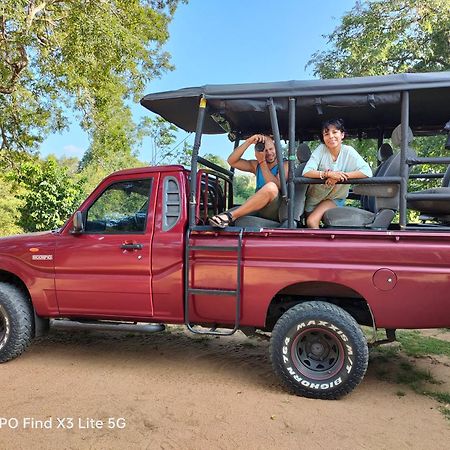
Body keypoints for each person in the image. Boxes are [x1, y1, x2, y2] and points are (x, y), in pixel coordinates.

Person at [302, 118, 372, 228]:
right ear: (323, 137)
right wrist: (328, 174)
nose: (331, 136)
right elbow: (306, 172)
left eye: (335, 132)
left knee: (311, 221)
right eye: (326, 133)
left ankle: (319, 246)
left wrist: (339, 176)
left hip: (334, 198)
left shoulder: (348, 151)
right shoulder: (321, 149)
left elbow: (367, 172)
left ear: (342, 135)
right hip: (314, 197)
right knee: (308, 226)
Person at [209, 134, 288, 228]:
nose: (269, 153)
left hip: (274, 208)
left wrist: (262, 162)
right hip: (258, 206)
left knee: (271, 187)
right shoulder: (256, 165)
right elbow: (232, 161)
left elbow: (277, 185)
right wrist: (248, 142)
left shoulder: (285, 164)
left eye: (271, 149)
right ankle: (226, 218)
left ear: (276, 148)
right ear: (258, 151)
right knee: (218, 218)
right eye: (265, 150)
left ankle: (230, 216)